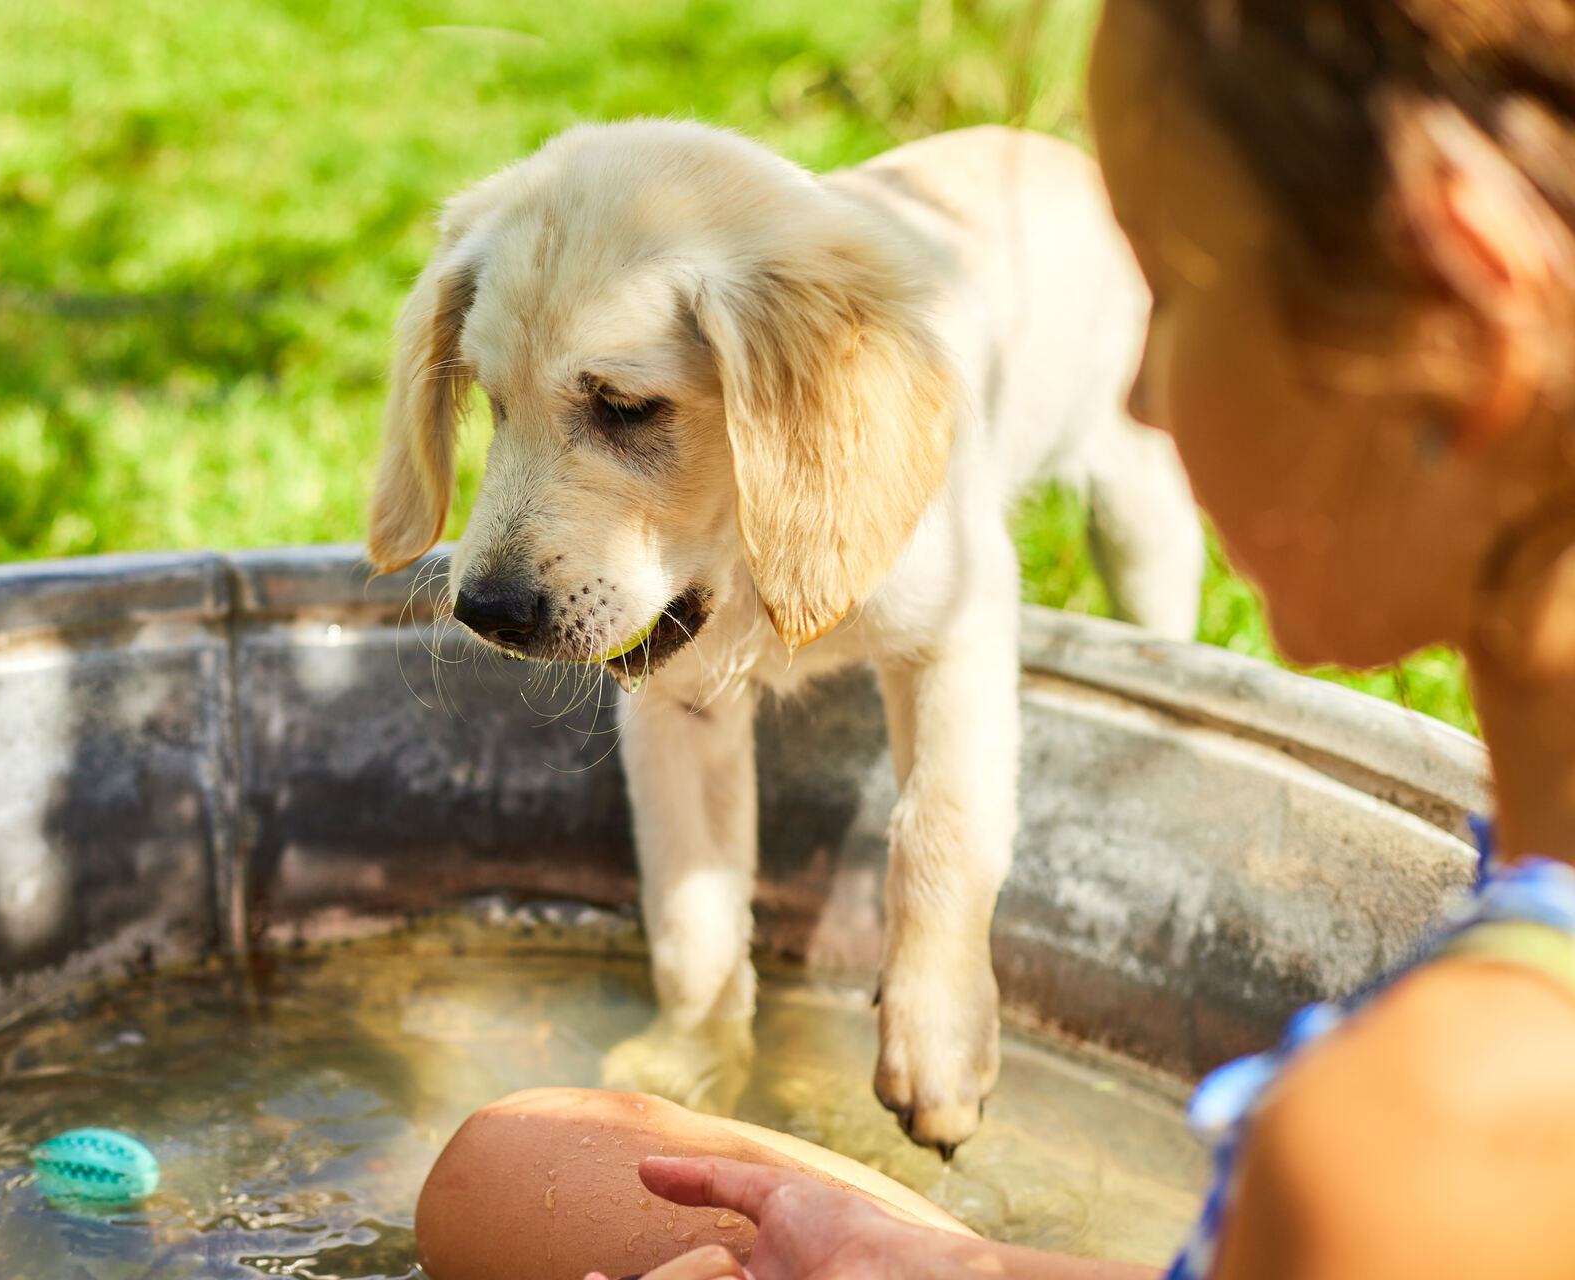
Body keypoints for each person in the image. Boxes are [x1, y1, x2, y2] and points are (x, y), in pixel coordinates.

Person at [415, 0, 1575, 1275]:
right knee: (509, 1166)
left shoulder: (1418, 1134)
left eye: (1177, 295)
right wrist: (967, 1265)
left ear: (1466, 289)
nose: (1132, 389)